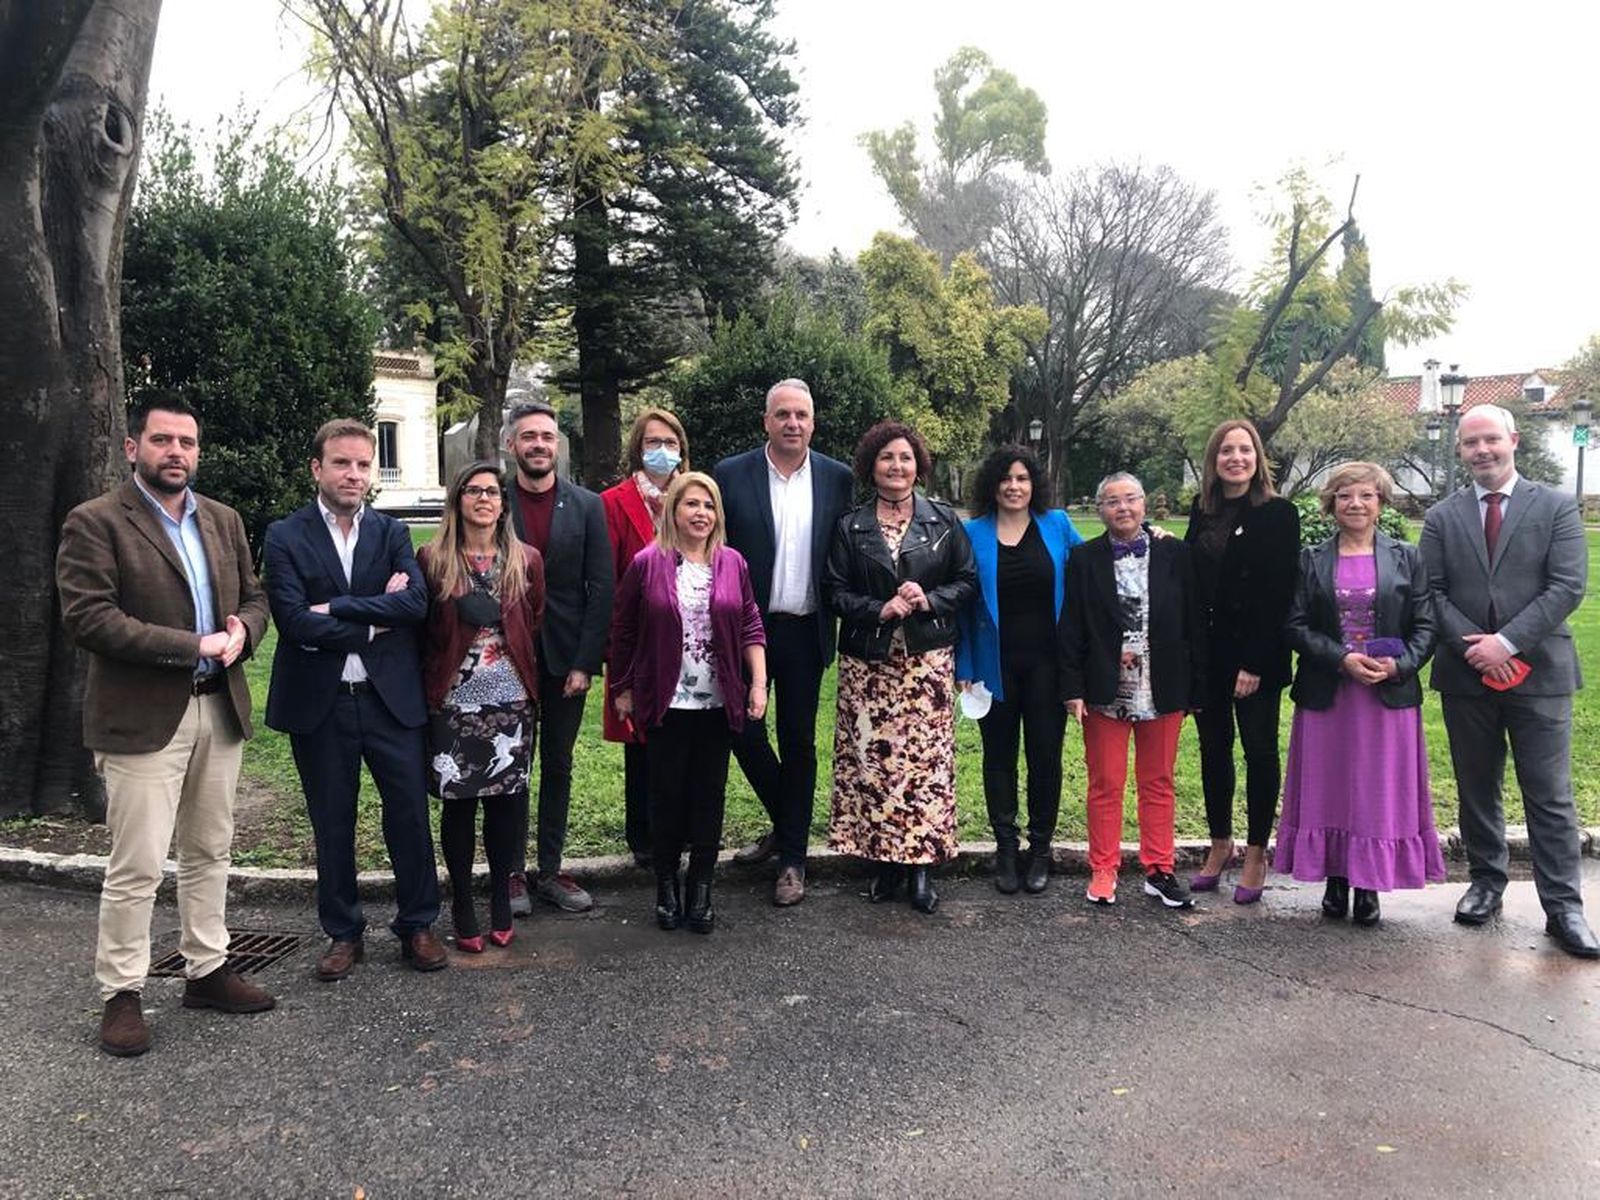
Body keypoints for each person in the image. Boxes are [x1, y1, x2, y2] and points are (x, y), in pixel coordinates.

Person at [56, 393, 275, 1057]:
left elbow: (256, 598)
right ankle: (122, 992)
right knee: (139, 863)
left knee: (210, 850)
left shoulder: (223, 520)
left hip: (219, 707)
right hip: (143, 716)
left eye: (186, 442)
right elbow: (90, 618)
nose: (176, 452)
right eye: (162, 440)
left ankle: (207, 969)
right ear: (133, 448)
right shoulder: (96, 522)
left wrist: (243, 631)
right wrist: (194, 645)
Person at [264, 418, 445, 979]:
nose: (354, 474)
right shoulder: (284, 536)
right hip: (322, 704)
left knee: (409, 814)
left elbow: (414, 605)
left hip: (390, 699)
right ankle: (343, 933)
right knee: (332, 820)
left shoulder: (392, 534)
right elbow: (294, 622)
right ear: (316, 468)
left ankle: (417, 924)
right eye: (342, 463)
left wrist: (337, 608)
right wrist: (374, 620)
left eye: (363, 464)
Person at [1421, 404, 1596, 958]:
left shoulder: (1556, 507)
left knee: (1549, 794)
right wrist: (1478, 649)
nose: (1482, 451)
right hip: (1466, 673)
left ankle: (1563, 907)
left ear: (1513, 440)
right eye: (1471, 443)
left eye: (1490, 439)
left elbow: (1567, 586)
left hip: (1540, 673)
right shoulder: (1442, 517)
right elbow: (1431, 592)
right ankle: (1485, 882)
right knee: (1477, 786)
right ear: (1461, 450)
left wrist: (1508, 642)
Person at [1278, 463, 1446, 927]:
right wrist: (1341, 659)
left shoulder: (1407, 557)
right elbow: (1294, 624)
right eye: (1345, 495)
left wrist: (1400, 665)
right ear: (1331, 504)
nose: (1355, 504)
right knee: (1329, 786)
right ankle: (1335, 877)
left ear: (1381, 503)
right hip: (1328, 692)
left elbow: (1427, 624)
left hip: (1386, 695)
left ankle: (1368, 882)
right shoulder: (1310, 559)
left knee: (1376, 790)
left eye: (1366, 495)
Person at [825, 421, 976, 914]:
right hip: (868, 668)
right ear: (871, 466)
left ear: (918, 466)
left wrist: (928, 598)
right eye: (887, 457)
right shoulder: (851, 526)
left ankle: (921, 867)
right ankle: (884, 863)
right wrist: (878, 609)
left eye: (905, 458)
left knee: (924, 768)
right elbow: (834, 591)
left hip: (925, 666)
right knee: (875, 765)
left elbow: (967, 581)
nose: (896, 466)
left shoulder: (943, 521)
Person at [608, 472, 768, 934]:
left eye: (709, 505)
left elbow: (751, 623)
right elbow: (623, 629)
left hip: (719, 702)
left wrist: (757, 683)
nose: (701, 513)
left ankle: (701, 887)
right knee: (666, 796)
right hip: (666, 701)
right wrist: (622, 688)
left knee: (708, 796)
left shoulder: (733, 563)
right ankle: (666, 885)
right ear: (673, 510)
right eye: (691, 504)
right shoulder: (647, 562)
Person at [715, 379, 853, 907]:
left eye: (801, 415)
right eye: (783, 415)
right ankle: (788, 820)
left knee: (798, 740)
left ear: (813, 423)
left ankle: (792, 858)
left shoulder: (837, 478)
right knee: (740, 730)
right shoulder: (732, 474)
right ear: (766, 421)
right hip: (746, 630)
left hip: (805, 628)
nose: (792, 423)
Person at [1059, 473, 1205, 909]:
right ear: (1099, 510)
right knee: (1106, 782)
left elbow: (1195, 622)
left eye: (1130, 499)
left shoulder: (1175, 553)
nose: (1123, 508)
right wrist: (1072, 687)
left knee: (1158, 781)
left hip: (1163, 681)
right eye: (1112, 501)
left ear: (1144, 504)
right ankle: (1104, 868)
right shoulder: (1083, 558)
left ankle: (1159, 868)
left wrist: (1196, 688)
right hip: (1105, 684)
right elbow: (1071, 625)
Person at [419, 462, 546, 951]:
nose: (484, 499)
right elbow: (425, 631)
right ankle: (462, 901)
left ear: (503, 504)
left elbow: (534, 620)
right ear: (458, 500)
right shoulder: (434, 559)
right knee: (459, 805)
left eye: (492, 492)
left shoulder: (526, 559)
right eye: (473, 491)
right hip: (454, 702)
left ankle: (499, 896)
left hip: (511, 701)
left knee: (506, 804)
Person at [956, 445, 1084, 894]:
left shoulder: (1057, 525)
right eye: (1006, 478)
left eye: (1022, 478)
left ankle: (1041, 848)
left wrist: (1147, 534)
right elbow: (962, 605)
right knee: (999, 757)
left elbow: (1094, 566)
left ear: (1034, 484)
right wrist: (964, 664)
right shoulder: (971, 532)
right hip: (993, 666)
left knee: (1045, 757)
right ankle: (1006, 849)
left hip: (1049, 666)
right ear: (992, 485)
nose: (1014, 486)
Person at [504, 400, 615, 915]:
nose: (539, 445)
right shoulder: (492, 498)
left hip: (566, 659)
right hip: (507, 658)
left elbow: (602, 588)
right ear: (512, 444)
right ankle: (510, 873)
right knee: (510, 766)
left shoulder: (587, 506)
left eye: (547, 437)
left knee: (558, 764)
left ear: (557, 445)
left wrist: (585, 662)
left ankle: (549, 870)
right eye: (529, 436)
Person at [1184, 419, 1300, 904]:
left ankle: (1256, 852)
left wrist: (1253, 663)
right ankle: (1219, 843)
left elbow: (1278, 595)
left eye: (1245, 450)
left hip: (1256, 654)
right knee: (1214, 750)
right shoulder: (1203, 509)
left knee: (1259, 751)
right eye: (1226, 451)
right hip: (1209, 655)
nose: (1236, 458)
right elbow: (1195, 576)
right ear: (1214, 460)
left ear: (1258, 458)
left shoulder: (1278, 513)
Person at [600, 407, 691, 869]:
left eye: (670, 443)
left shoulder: (695, 497)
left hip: (692, 640)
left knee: (687, 736)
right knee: (642, 742)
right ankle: (645, 835)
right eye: (653, 442)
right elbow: (607, 580)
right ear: (638, 448)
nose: (662, 451)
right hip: (638, 642)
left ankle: (684, 829)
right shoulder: (613, 502)